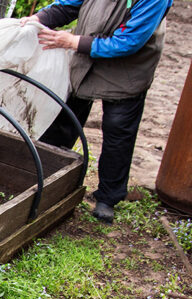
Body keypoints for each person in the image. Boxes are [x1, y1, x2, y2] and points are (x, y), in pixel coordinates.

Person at [21, 0, 173, 223]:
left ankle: (107, 198)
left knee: (118, 131)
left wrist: (73, 41)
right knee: (63, 118)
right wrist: (39, 19)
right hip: (84, 57)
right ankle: (42, 173)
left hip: (127, 68)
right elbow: (69, 4)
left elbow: (129, 42)